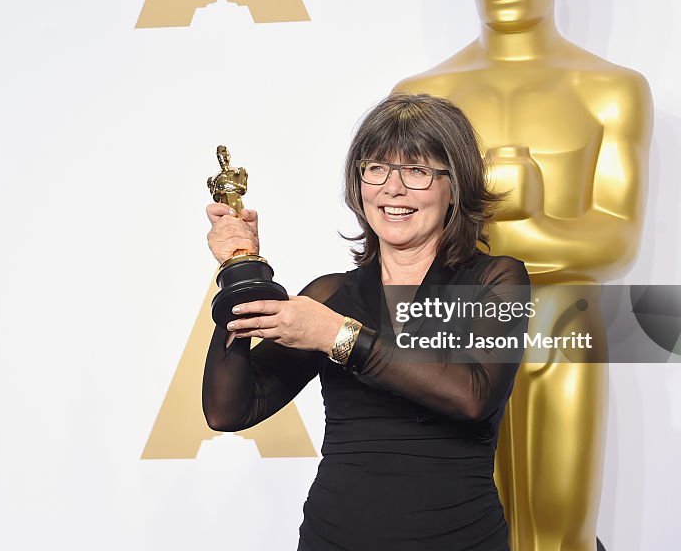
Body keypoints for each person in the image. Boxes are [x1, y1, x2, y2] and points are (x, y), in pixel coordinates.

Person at [202, 93, 530, 550]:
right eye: (376, 168)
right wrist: (242, 271)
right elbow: (230, 409)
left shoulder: (496, 279)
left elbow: (472, 395)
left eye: (416, 171)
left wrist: (336, 335)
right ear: (359, 184)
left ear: (454, 186)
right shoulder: (331, 294)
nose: (392, 189)